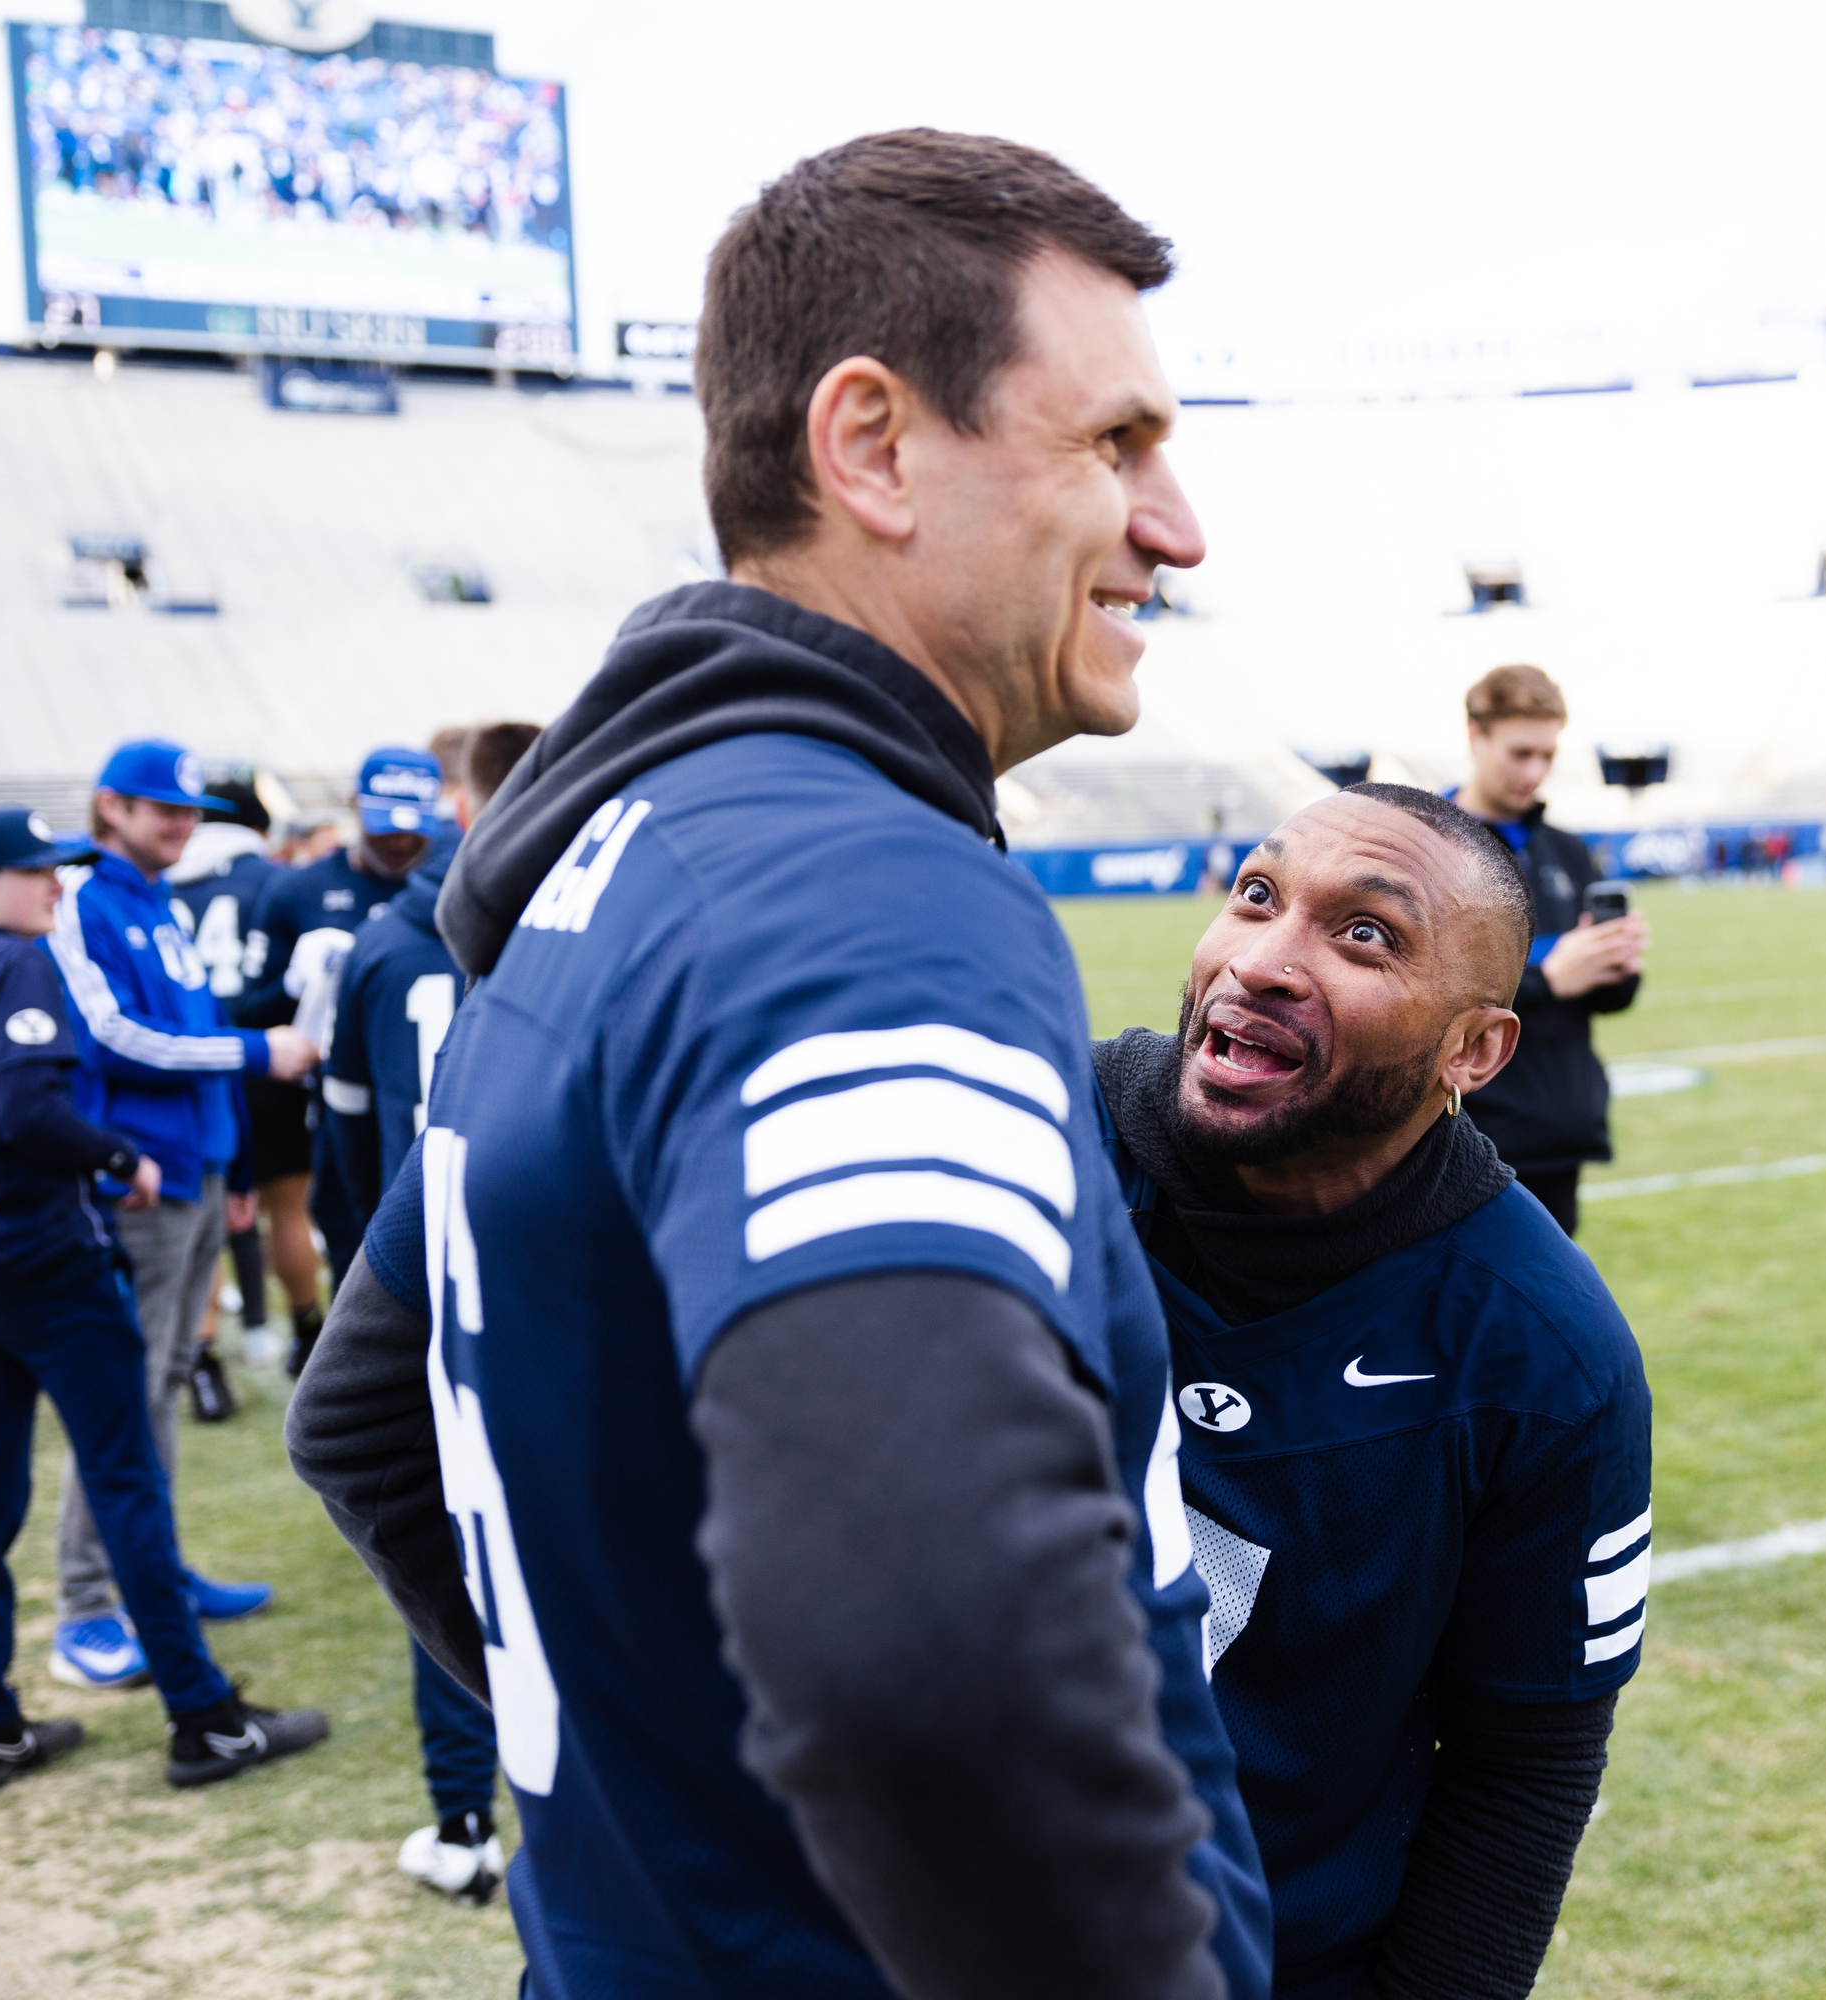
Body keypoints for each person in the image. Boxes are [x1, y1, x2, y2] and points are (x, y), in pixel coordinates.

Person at [286, 128, 1267, 1998]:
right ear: (874, 445)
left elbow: (361, 1412)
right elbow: (923, 1646)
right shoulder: (856, 893)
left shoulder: (622, 861)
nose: (1178, 523)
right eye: (1117, 444)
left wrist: (676, 1815)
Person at [1095, 784, 1652, 2000]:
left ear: (1475, 1049)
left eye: (1364, 934)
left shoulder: (1543, 1349)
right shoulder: (1031, 1147)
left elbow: (1525, 1764)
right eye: (1256, 895)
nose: (1262, 960)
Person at [0, 808, 329, 1797]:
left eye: (59, 870)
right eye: (33, 873)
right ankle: (203, 1716)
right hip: (43, 1255)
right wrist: (119, 1155)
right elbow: (34, 1110)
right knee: (124, 1478)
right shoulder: (9, 961)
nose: (54, 887)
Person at [44, 742, 318, 1691]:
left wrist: (232, 1158)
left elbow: (188, 1027)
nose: (181, 823)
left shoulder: (158, 899)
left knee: (157, 1382)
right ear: (109, 805)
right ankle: (84, 1603)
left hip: (194, 1171)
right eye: (162, 808)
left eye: (190, 810)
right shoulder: (83, 899)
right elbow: (114, 1036)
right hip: (141, 1181)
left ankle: (149, 1569)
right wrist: (254, 1056)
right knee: (124, 1394)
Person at [316, 719, 534, 1907]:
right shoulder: (593, 937)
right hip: (538, 1294)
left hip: (424, 1278)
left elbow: (346, 1142)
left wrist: (370, 1278)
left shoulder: (382, 946)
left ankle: (464, 1814)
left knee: (445, 1530)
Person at [234, 747, 445, 1371]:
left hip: (440, 1099)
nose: (402, 842)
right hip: (342, 1103)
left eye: (415, 827)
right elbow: (248, 1010)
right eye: (387, 826)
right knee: (358, 1247)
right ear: (355, 808)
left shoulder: (459, 884)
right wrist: (299, 986)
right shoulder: (299, 889)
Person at [1449, 665, 1648, 1236]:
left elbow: (1612, 1000)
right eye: (1519, 752)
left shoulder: (1567, 850)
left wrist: (1616, 964)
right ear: (1475, 736)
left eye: (1547, 755)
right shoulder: (1429, 844)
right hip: (1467, 1129)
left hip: (1561, 1125)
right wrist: (1549, 977)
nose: (1534, 772)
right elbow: (1415, 987)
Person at [166, 769, 288, 1388]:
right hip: (264, 1052)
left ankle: (205, 1351)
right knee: (282, 1205)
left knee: (209, 1212)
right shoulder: (271, 880)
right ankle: (285, 1328)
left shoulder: (160, 887)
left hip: (193, 1061)